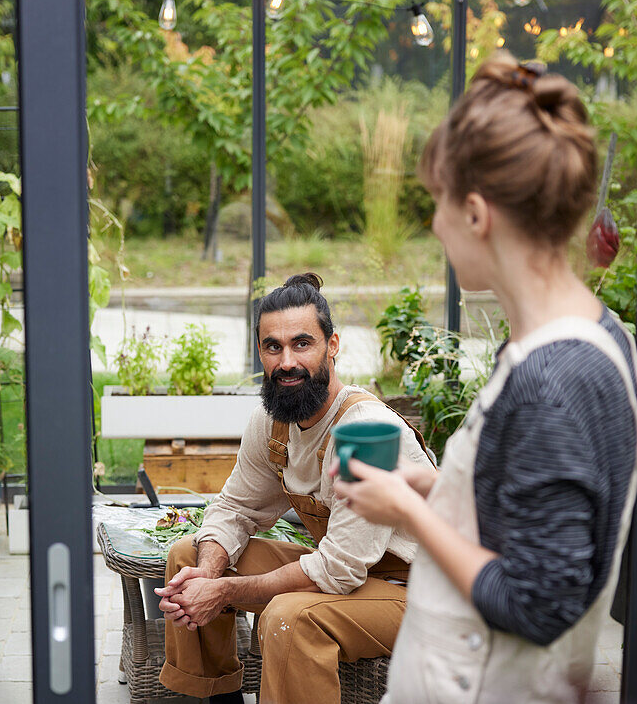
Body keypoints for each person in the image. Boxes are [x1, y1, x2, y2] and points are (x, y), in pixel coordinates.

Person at [334, 53, 637, 703]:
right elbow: (531, 514)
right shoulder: (591, 334)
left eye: (438, 203)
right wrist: (441, 486)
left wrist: (410, 516)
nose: (433, 224)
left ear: (476, 213)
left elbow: (536, 603)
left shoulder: (551, 381)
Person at [155, 273, 437, 704]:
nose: (287, 361)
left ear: (333, 346)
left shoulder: (365, 430)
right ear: (261, 353)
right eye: (274, 346)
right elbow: (234, 508)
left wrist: (224, 592)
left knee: (289, 617)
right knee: (189, 555)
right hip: (353, 574)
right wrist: (209, 574)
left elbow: (338, 571)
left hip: (416, 595)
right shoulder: (272, 423)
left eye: (302, 343)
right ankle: (216, 698)